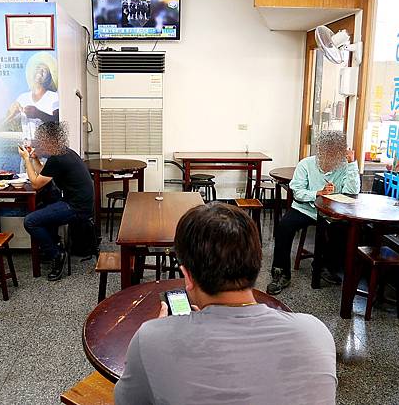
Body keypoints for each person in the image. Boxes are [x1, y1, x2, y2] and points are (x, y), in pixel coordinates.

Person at [114, 202, 337, 405]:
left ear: (187, 276)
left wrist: (159, 332)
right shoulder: (316, 333)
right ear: (257, 264)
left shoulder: (151, 340)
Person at [267, 130, 361, 295]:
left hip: (332, 212)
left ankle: (325, 266)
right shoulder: (306, 164)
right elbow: (297, 191)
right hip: (305, 208)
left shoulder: (345, 167)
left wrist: (352, 164)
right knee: (284, 227)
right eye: (328, 150)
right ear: (321, 150)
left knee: (343, 230)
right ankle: (280, 272)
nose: (331, 155)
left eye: (336, 151)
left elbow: (351, 192)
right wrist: (318, 193)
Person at [18, 121, 93, 281]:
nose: (39, 143)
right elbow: (43, 174)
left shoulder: (57, 159)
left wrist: (26, 159)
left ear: (49, 140)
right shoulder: (65, 153)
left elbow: (36, 183)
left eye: (41, 140)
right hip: (80, 203)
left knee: (30, 221)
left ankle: (56, 254)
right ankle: (53, 245)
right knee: (46, 205)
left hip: (76, 208)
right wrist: (34, 159)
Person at [2, 53, 59, 145]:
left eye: (44, 70)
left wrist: (38, 114)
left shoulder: (54, 97)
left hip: (46, 154)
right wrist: (11, 111)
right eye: (38, 69)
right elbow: (8, 117)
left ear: (49, 77)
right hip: (26, 153)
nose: (40, 72)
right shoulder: (22, 97)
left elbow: (58, 121)